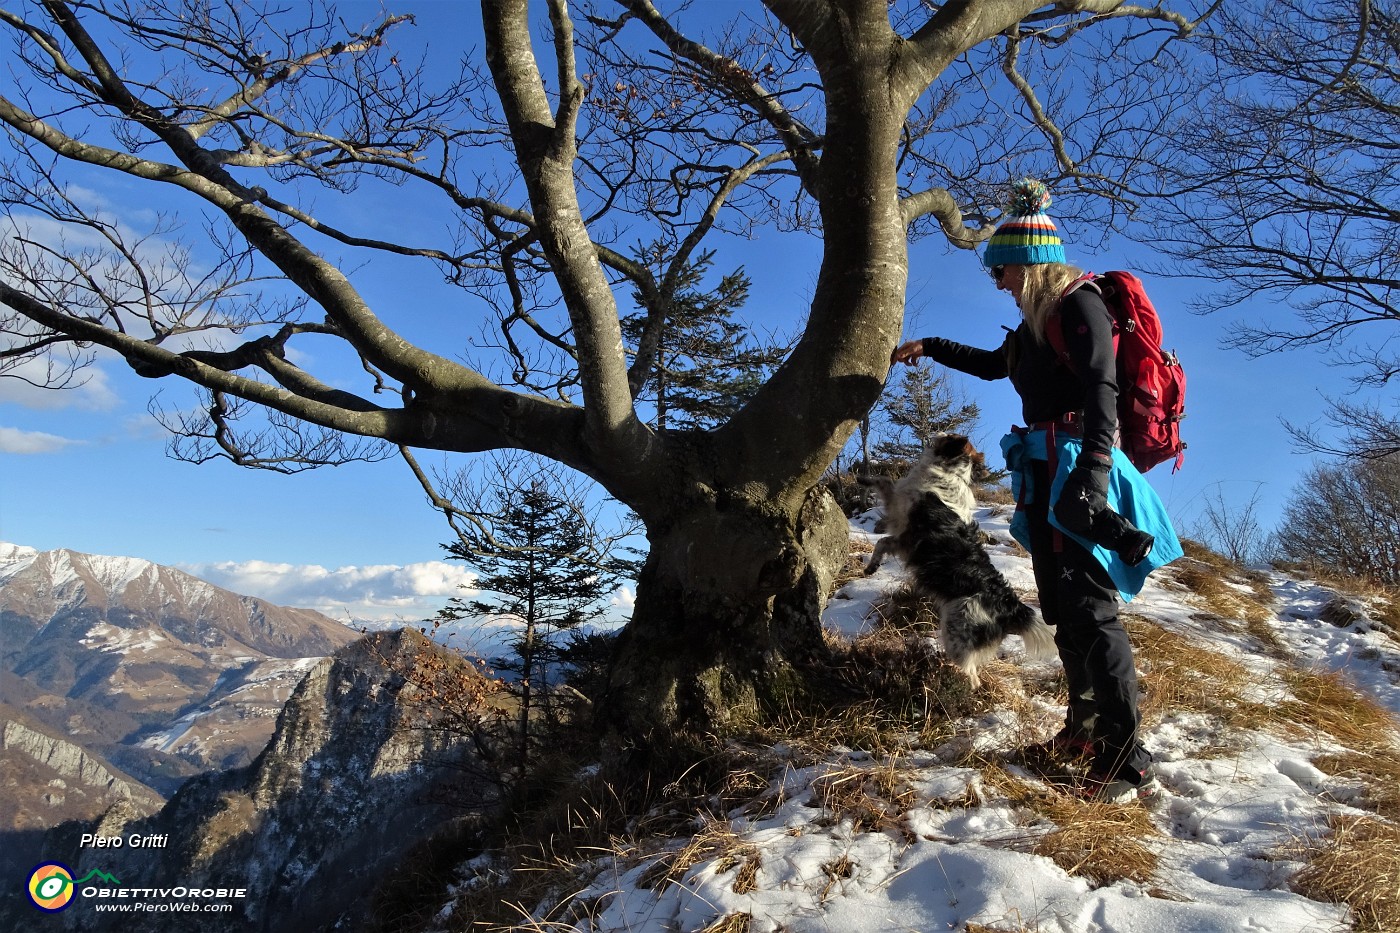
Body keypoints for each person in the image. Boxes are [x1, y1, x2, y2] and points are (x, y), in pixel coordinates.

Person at [891, 179, 1182, 803]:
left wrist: (1095, 472)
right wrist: (929, 346)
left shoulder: (1080, 306)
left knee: (1093, 612)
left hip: (1080, 467)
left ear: (1029, 262)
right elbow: (997, 365)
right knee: (1063, 609)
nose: (998, 283)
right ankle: (1082, 732)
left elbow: (1102, 387)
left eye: (1003, 271)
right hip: (1044, 470)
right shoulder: (1031, 328)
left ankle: (1127, 756)